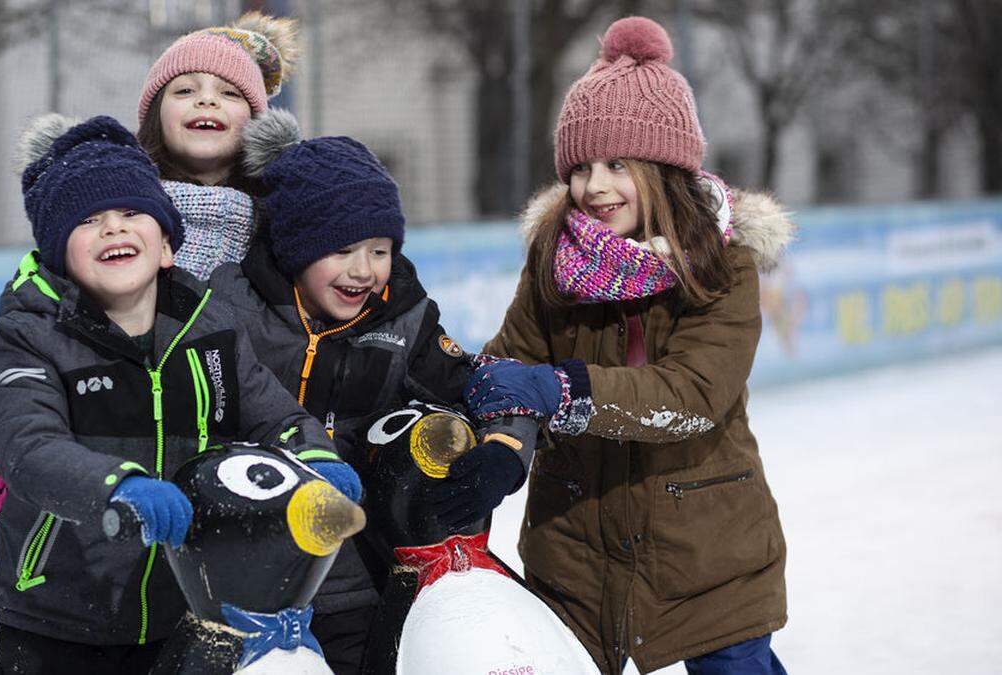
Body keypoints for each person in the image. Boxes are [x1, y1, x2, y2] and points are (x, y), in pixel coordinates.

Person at [463, 17, 794, 675]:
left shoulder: (723, 267)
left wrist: (566, 391)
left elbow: (693, 394)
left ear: (665, 168)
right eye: (581, 166)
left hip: (707, 562)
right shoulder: (554, 259)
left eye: (618, 164)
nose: (596, 186)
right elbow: (511, 360)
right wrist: (482, 411)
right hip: (577, 561)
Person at [0, 113, 357, 674]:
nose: (114, 228)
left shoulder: (211, 327)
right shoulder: (31, 335)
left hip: (188, 608)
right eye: (89, 220)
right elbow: (28, 448)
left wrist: (316, 455)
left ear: (165, 247)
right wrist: (118, 487)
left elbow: (272, 416)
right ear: (61, 254)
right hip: (57, 618)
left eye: (132, 213)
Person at [206, 108, 540, 673]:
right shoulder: (229, 313)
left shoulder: (403, 320)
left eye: (380, 250)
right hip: (250, 580)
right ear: (293, 246)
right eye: (341, 250)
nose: (364, 271)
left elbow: (487, 384)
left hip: (360, 582)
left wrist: (507, 448)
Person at [137, 10, 300, 279]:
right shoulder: (116, 208)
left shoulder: (288, 211)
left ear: (257, 122)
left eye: (229, 93)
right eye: (185, 90)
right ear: (156, 115)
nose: (207, 100)